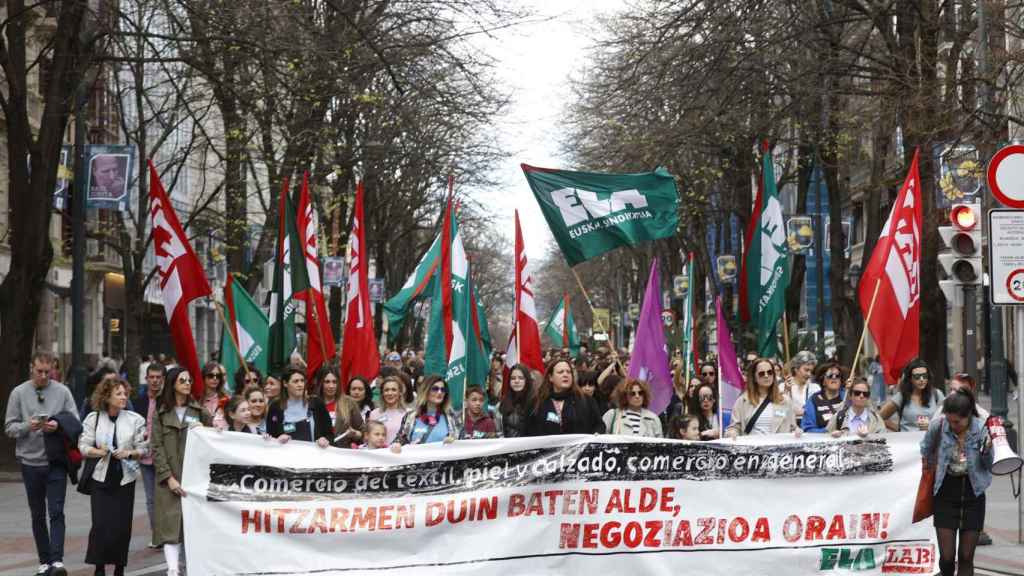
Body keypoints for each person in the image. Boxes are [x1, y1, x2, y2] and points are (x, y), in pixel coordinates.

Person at [5, 351, 78, 576]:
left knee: (56, 511)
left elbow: (76, 422)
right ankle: (44, 561)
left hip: (56, 461)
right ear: (32, 369)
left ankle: (57, 561)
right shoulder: (19, 393)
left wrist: (58, 426)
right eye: (40, 372)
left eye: (48, 372)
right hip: (30, 462)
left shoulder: (62, 391)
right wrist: (29, 426)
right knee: (37, 514)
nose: (44, 376)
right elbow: (9, 427)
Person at [921, 389, 993, 576]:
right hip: (945, 493)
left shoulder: (981, 428)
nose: (953, 425)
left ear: (968, 416)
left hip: (973, 493)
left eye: (957, 422)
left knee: (966, 556)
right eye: (950, 420)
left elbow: (989, 464)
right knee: (947, 557)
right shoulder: (939, 425)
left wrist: (987, 450)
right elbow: (925, 448)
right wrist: (933, 469)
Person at [80, 377, 147, 576]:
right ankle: (99, 567)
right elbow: (83, 446)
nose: (123, 397)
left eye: (125, 393)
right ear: (107, 396)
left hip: (125, 478)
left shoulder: (135, 419)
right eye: (118, 394)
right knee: (100, 525)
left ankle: (119, 567)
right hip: (100, 478)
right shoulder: (94, 418)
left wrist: (129, 453)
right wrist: (98, 451)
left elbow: (143, 447)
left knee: (121, 526)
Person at [152, 367, 211, 576]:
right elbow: (156, 446)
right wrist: (168, 478)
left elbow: (212, 440)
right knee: (170, 526)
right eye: (182, 380)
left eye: (189, 380)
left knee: (193, 525)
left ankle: (192, 567)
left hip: (194, 478)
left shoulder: (199, 412)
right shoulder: (160, 412)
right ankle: (172, 569)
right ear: (172, 384)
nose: (187, 383)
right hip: (170, 478)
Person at [526, 360, 605, 436]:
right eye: (560, 372)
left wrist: (597, 433)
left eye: (568, 372)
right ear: (550, 377)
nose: (565, 375)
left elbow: (599, 425)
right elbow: (528, 430)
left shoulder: (586, 401)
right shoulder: (537, 402)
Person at [727, 358, 800, 437]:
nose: (766, 376)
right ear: (754, 377)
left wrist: (797, 431)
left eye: (770, 372)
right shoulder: (742, 401)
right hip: (752, 448)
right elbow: (733, 428)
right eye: (761, 373)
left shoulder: (785, 400)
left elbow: (793, 427)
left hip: (777, 447)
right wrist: (732, 433)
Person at [266, 366, 333, 448]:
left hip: (313, 457)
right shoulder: (275, 407)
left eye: (302, 381)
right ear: (285, 383)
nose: (300, 384)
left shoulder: (316, 403)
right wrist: (277, 440)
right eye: (295, 381)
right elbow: (270, 438)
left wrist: (325, 440)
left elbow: (329, 434)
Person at [137, 363, 164, 549]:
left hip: (163, 456)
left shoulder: (167, 401)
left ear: (163, 379)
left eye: (158, 377)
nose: (154, 381)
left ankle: (166, 532)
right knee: (150, 498)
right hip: (144, 456)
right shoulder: (139, 400)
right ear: (146, 379)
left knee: (165, 497)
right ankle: (156, 534)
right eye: (151, 377)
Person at [392, 376, 463, 447]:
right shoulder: (410, 416)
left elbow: (462, 441)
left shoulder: (452, 417)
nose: (439, 392)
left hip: (444, 457)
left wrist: (454, 441)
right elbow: (400, 440)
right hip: (417, 457)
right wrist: (396, 445)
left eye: (443, 390)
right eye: (435, 389)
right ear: (426, 390)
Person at [879, 359, 945, 432]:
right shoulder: (902, 396)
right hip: (908, 441)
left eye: (924, 375)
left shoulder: (936, 394)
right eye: (917, 376)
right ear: (910, 378)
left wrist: (931, 426)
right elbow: (880, 417)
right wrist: (900, 429)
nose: (921, 379)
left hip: (930, 441)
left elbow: (946, 420)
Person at [802, 363, 848, 433]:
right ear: (823, 381)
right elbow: (808, 429)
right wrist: (826, 431)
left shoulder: (847, 397)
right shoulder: (813, 400)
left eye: (837, 376)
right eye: (830, 375)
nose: (834, 378)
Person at [368, 374, 406, 444]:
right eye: (386, 390)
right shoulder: (374, 414)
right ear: (382, 393)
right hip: (380, 453)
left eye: (394, 390)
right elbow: (370, 439)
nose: (390, 393)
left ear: (400, 393)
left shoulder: (408, 413)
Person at [784, 351, 820, 424]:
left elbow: (819, 411)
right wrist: (786, 391)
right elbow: (779, 412)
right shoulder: (783, 386)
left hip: (809, 428)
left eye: (811, 371)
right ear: (796, 369)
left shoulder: (815, 388)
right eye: (806, 370)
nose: (809, 374)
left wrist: (800, 412)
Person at [498, 364, 534, 438]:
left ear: (526, 380)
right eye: (513, 378)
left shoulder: (535, 402)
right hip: (509, 446)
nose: (516, 381)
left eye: (521, 378)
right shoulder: (504, 401)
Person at [199, 362, 228, 430]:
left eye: (218, 376)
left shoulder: (226, 399)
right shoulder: (197, 399)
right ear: (204, 377)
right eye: (210, 375)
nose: (215, 378)